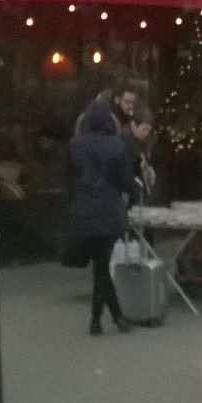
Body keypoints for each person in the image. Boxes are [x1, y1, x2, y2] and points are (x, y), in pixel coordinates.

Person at [65, 95, 134, 336]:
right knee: (102, 268)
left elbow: (67, 179)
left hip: (84, 213)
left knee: (100, 268)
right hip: (109, 212)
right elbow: (126, 182)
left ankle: (99, 320)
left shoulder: (75, 146)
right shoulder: (117, 145)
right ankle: (115, 319)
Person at [123, 108, 157, 201]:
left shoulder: (143, 141)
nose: (146, 133)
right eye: (144, 129)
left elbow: (144, 157)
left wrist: (148, 168)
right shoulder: (123, 139)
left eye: (148, 130)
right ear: (134, 125)